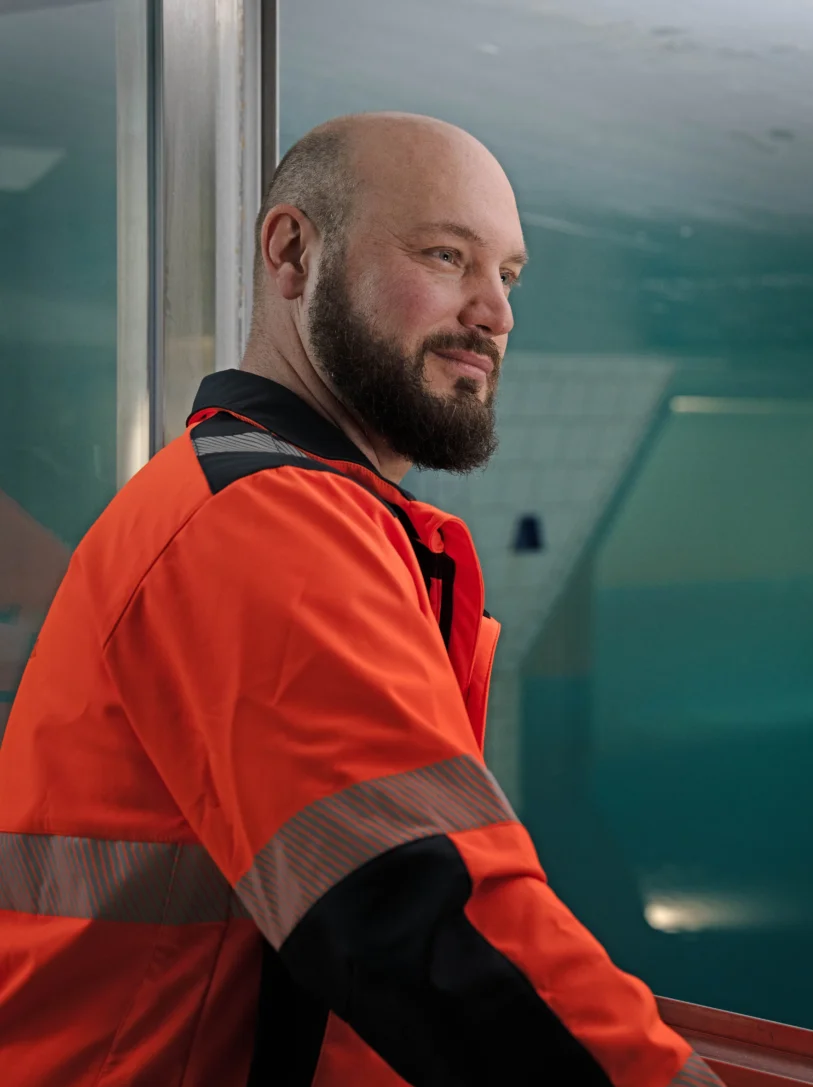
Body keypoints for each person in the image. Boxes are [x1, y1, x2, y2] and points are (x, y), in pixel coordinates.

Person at [0, 113, 723, 1087]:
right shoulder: (261, 521)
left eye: (507, 275)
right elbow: (415, 911)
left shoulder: (274, 504)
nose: (495, 312)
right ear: (294, 253)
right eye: (445, 254)